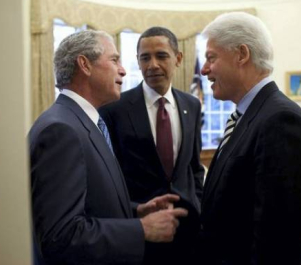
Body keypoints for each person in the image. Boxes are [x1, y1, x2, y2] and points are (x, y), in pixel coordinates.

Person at [28, 30, 188, 265]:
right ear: (85, 64)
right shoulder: (61, 131)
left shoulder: (82, 121)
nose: (123, 70)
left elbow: (90, 204)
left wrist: (135, 211)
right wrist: (141, 229)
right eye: (114, 60)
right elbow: (61, 237)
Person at [198, 12, 301, 265]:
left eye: (211, 57)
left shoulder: (282, 122)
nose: (204, 69)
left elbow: (279, 243)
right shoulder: (249, 115)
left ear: (242, 54)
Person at [99, 27, 204, 264]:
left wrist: (198, 205)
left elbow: (195, 167)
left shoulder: (192, 105)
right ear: (137, 61)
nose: (152, 64)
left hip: (188, 229)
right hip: (138, 230)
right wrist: (134, 211)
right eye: (145, 58)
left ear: (178, 59)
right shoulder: (114, 108)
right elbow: (108, 177)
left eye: (161, 55)